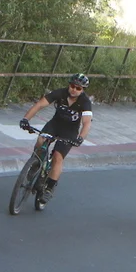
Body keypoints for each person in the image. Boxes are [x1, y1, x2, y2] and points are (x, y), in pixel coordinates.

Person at [18, 72, 93, 204]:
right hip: (54, 124)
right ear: (69, 85)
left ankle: (49, 188)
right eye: (72, 86)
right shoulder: (60, 93)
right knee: (40, 141)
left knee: (58, 157)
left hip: (69, 131)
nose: (74, 90)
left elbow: (87, 123)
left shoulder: (85, 102)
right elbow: (39, 105)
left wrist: (80, 138)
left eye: (78, 88)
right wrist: (25, 119)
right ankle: (36, 164)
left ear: (82, 90)